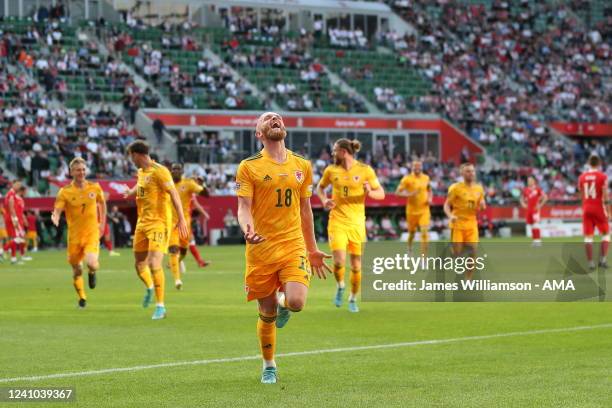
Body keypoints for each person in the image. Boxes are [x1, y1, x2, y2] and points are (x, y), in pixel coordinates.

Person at [235, 112, 332, 384]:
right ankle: (269, 365)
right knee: (266, 314)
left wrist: (312, 249)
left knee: (297, 302)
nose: (274, 119)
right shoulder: (248, 166)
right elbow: (243, 207)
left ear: (284, 129)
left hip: (293, 245)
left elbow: (305, 210)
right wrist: (248, 230)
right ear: (259, 134)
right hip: (261, 248)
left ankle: (284, 303)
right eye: (267, 119)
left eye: (277, 118)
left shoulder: (302, 165)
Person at [316, 138, 385, 312]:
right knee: (339, 260)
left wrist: (370, 192)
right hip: (337, 221)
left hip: (357, 225)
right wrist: (324, 200)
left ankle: (353, 298)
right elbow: (320, 187)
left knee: (356, 266)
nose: (332, 153)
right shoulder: (331, 170)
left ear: (344, 152)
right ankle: (340, 286)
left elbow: (381, 193)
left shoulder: (365, 170)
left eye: (334, 150)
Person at [123, 141, 188, 320]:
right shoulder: (141, 172)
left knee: (154, 263)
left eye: (131, 156)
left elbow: (173, 193)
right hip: (142, 224)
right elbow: (142, 185)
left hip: (159, 223)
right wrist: (131, 191)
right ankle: (150, 287)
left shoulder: (160, 171)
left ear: (137, 154)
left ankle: (161, 306)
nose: (131, 160)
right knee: (139, 265)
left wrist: (181, 218)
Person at [51, 158, 106, 308]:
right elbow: (57, 209)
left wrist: (102, 223)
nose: (81, 172)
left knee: (92, 264)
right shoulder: (65, 192)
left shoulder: (94, 188)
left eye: (83, 169)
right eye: (77, 170)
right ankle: (82, 298)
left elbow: (102, 203)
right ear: (71, 172)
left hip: (91, 233)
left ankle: (93, 273)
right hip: (74, 236)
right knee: (77, 269)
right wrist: (55, 216)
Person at [167, 162, 208, 290]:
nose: (176, 171)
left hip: (184, 224)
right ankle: (177, 280)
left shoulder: (188, 183)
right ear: (171, 171)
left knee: (184, 250)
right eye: (174, 169)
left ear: (182, 171)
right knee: (173, 249)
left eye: (178, 169)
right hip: (170, 223)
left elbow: (206, 195)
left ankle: (175, 263)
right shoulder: (166, 184)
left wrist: (203, 184)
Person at [444, 163, 486, 280]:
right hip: (458, 224)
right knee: (458, 254)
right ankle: (452, 250)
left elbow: (482, 205)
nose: (471, 173)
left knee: (473, 252)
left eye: (472, 171)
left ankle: (468, 280)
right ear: (462, 173)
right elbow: (446, 205)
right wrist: (450, 215)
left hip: (472, 224)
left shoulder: (479, 188)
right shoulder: (455, 188)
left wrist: (482, 206)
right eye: (468, 171)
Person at [577, 155, 609, 270]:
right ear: (599, 164)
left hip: (586, 208)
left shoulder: (582, 177)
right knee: (605, 234)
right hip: (598, 208)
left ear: (588, 163)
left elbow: (580, 193)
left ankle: (590, 263)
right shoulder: (602, 176)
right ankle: (602, 260)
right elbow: (605, 195)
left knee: (588, 237)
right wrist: (609, 210)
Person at [396, 160, 432, 255]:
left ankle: (424, 258)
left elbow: (429, 190)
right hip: (411, 211)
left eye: (419, 166)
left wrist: (430, 198)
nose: (417, 168)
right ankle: (409, 248)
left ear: (421, 167)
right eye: (415, 166)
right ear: (412, 167)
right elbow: (397, 193)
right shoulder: (406, 179)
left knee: (424, 232)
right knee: (412, 234)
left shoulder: (426, 178)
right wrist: (410, 194)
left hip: (424, 210)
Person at [3, 181, 27, 265]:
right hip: (11, 218)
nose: (19, 188)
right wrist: (15, 218)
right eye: (18, 186)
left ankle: (13, 259)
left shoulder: (9, 194)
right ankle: (2, 250)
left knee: (15, 238)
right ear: (15, 185)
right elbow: (11, 206)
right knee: (18, 238)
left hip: (8, 218)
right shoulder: (11, 194)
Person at [520, 176, 548, 246]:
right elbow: (521, 198)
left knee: (536, 224)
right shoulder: (525, 190)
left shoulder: (537, 189)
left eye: (530, 180)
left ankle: (538, 241)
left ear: (534, 181)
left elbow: (545, 197)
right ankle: (534, 240)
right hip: (529, 210)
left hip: (535, 210)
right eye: (528, 180)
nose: (529, 181)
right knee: (532, 225)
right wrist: (523, 204)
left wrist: (540, 205)